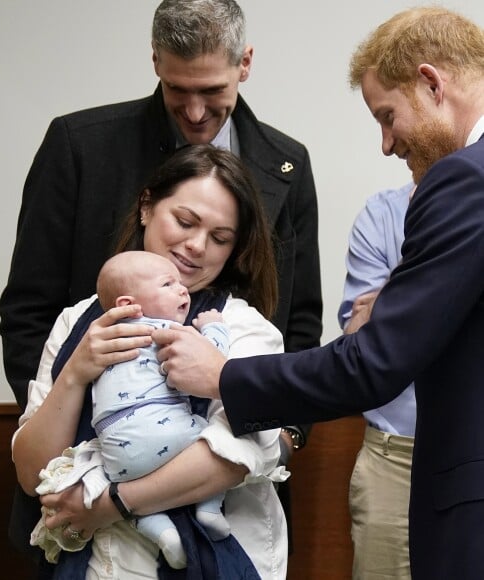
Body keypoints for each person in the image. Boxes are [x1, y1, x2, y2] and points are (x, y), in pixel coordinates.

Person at [151, 7, 484, 579]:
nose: (386, 144)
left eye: (387, 115)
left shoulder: (465, 179)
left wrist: (222, 376)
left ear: (432, 83)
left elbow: (373, 364)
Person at [0, 0, 320, 562]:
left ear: (244, 64)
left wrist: (284, 431)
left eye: (212, 91)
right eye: (178, 89)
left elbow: (300, 319)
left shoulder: (285, 162)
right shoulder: (82, 146)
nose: (195, 112)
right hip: (89, 474)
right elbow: (28, 312)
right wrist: (77, 430)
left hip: (230, 493)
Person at [12, 145, 290, 579]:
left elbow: (232, 456)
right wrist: (76, 372)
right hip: (97, 565)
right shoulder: (77, 322)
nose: (196, 246)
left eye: (220, 238)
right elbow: (34, 475)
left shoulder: (240, 328)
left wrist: (108, 505)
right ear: (146, 207)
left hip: (219, 556)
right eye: (184, 221)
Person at [30, 250, 233, 568]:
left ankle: (162, 531)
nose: (182, 290)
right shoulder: (165, 330)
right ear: (127, 305)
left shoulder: (96, 337)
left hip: (116, 462)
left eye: (179, 284)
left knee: (134, 489)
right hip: (169, 435)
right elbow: (217, 366)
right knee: (212, 435)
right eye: (168, 284)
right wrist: (215, 328)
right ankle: (209, 506)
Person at [339, 182, 415, 579]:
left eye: (389, 116)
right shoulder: (381, 214)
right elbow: (361, 344)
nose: (386, 144)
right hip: (394, 458)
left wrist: (391, 297)